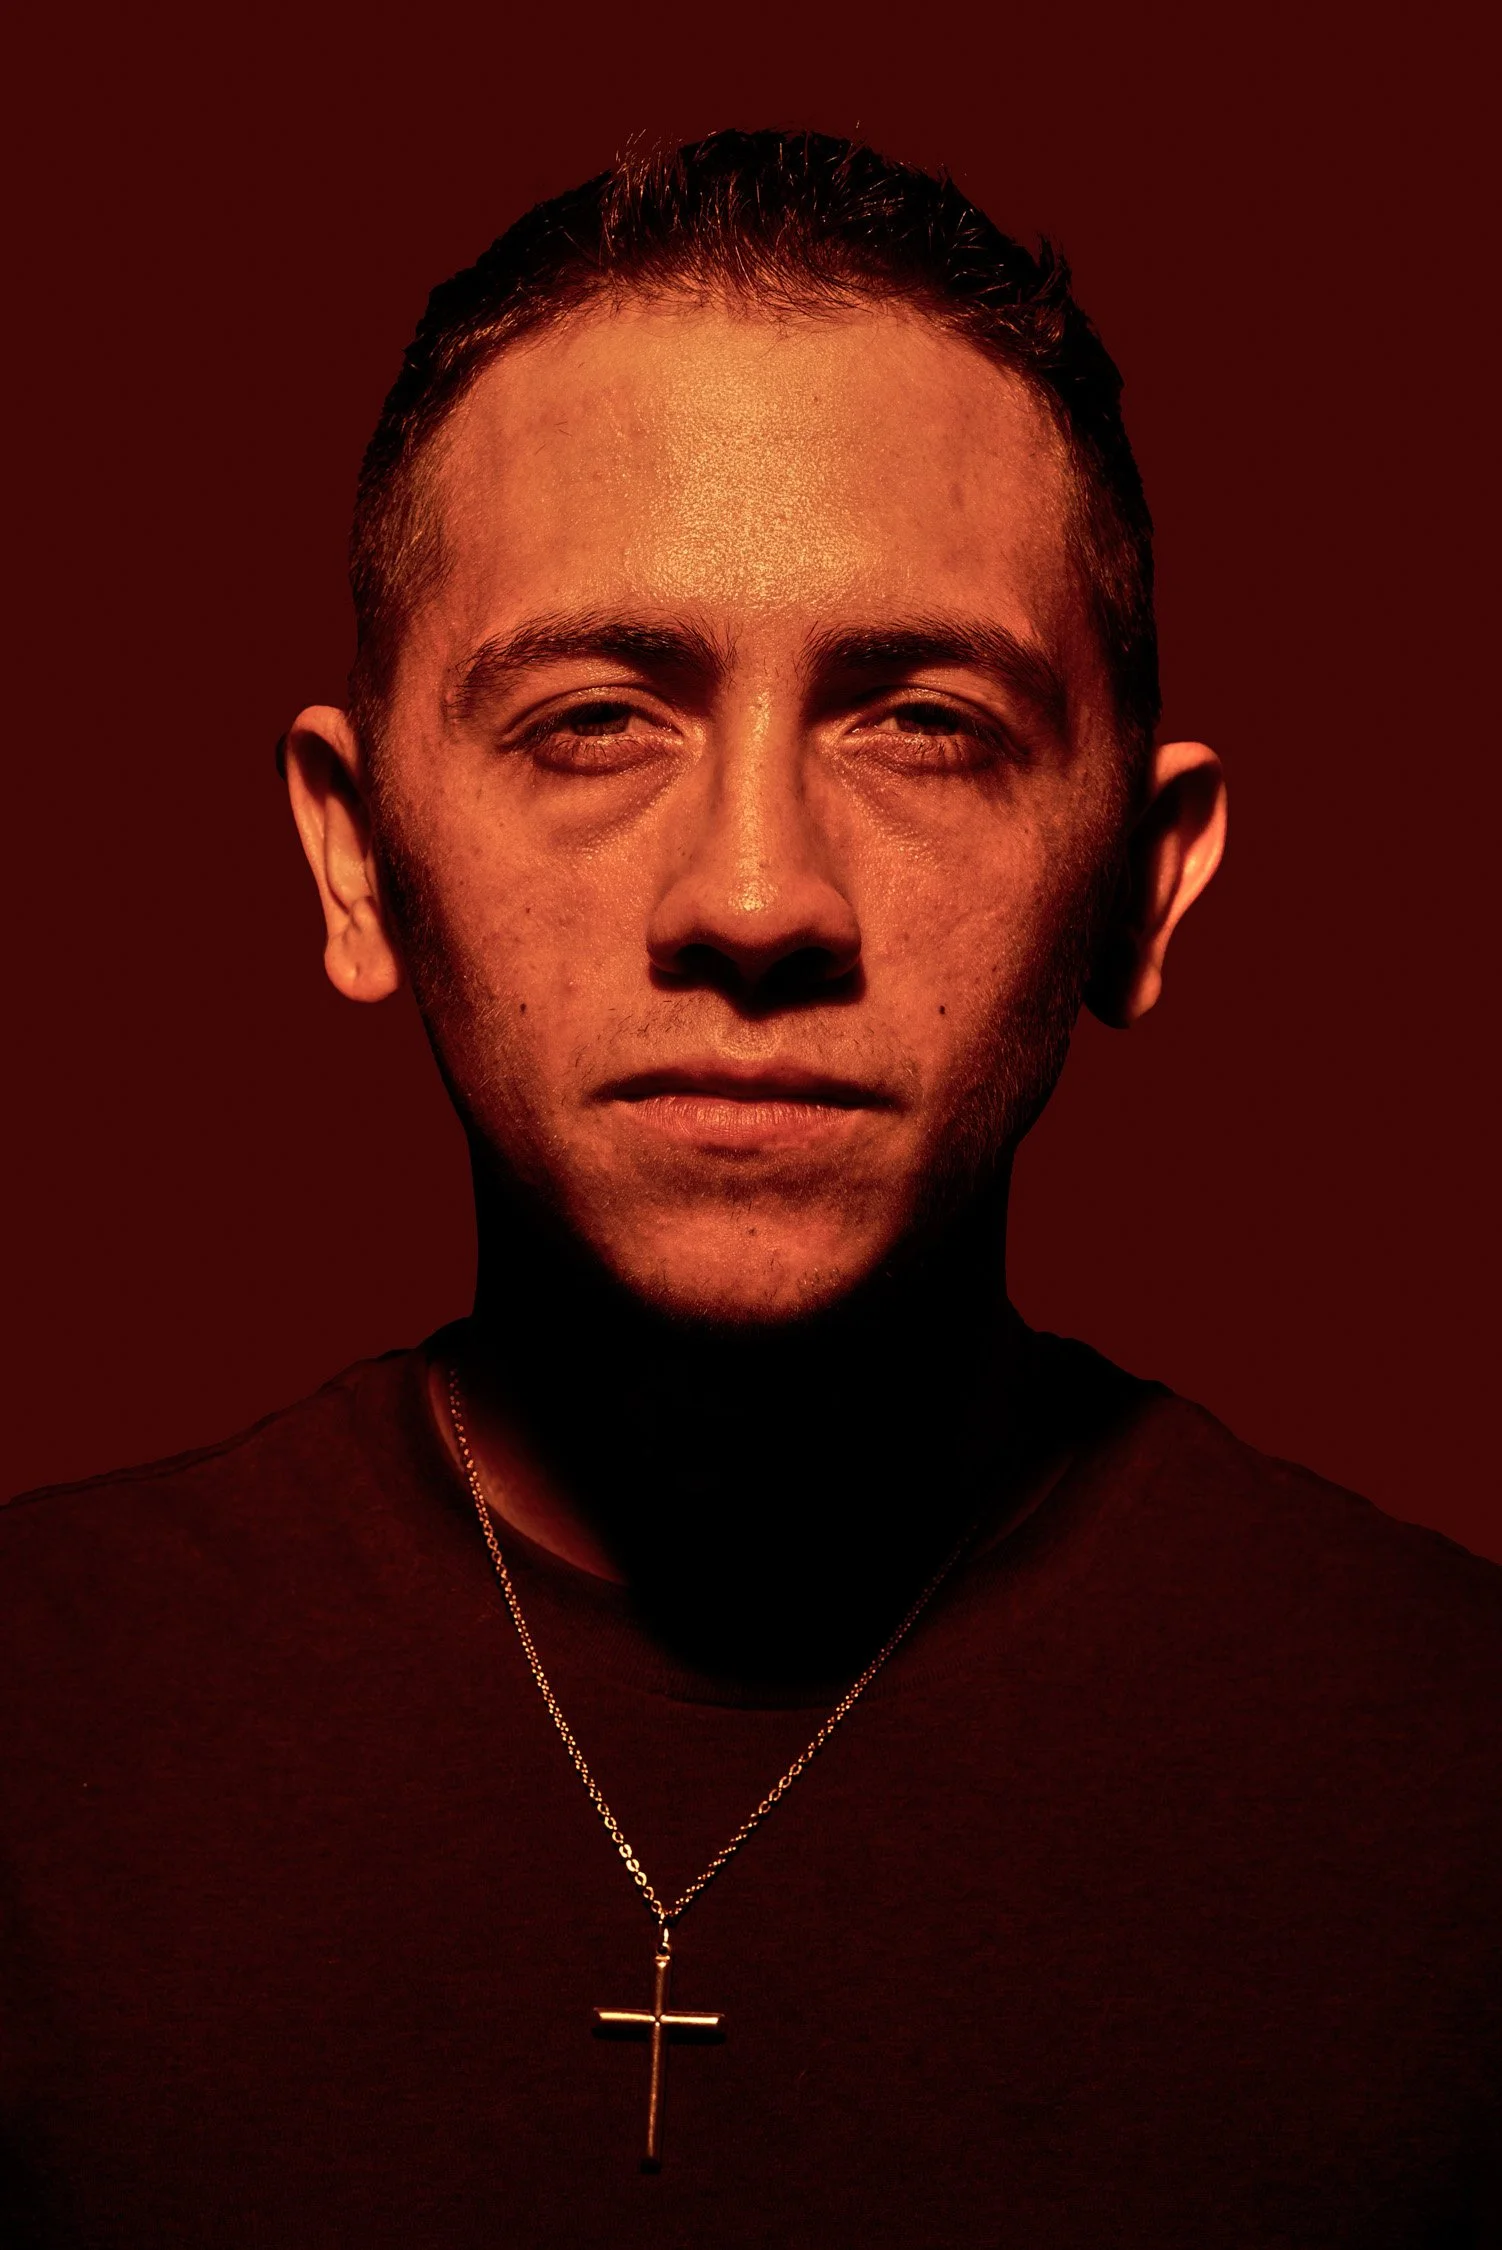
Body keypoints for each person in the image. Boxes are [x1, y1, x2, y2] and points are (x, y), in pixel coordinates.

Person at [2, 129, 1497, 2249]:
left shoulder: (1458, 1785)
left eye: (923, 723)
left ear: (1142, 890)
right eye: (598, 720)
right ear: (353, 860)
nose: (756, 896)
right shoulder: (36, 1735)